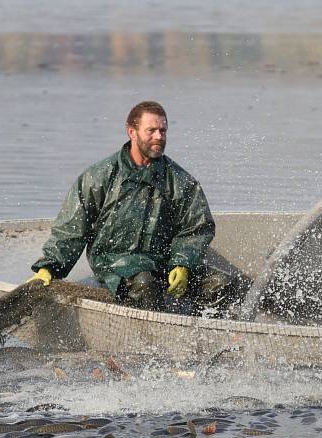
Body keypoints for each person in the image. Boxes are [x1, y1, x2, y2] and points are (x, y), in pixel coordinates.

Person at [27, 101, 230, 312]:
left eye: (163, 130)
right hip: (116, 262)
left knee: (220, 284)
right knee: (145, 284)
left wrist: (182, 262)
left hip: (163, 262)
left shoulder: (180, 180)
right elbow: (71, 229)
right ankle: (154, 339)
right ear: (131, 132)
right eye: (151, 130)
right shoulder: (99, 177)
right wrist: (49, 267)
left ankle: (209, 338)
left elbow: (198, 227)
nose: (159, 137)